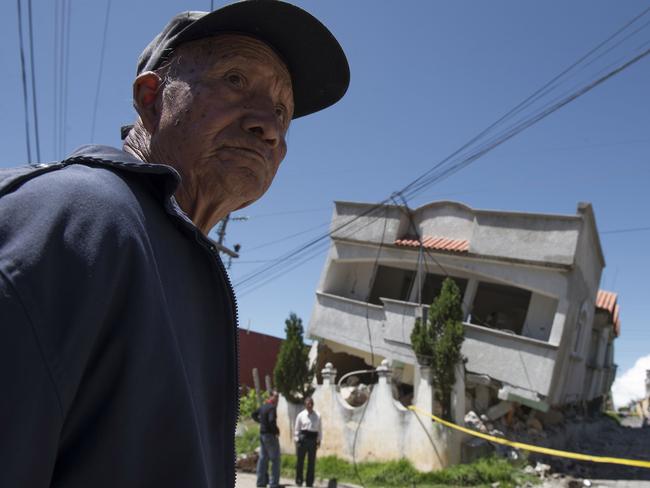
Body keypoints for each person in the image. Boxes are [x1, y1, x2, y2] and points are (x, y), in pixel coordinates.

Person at [0, 2, 349, 487]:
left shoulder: (171, 256)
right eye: (234, 79)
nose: (268, 125)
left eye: (282, 111)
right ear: (151, 97)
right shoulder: (78, 219)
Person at [252, 391, 281, 487]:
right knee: (275, 459)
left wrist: (261, 422)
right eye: (275, 396)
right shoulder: (272, 408)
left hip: (262, 435)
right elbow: (271, 420)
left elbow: (253, 414)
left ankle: (260, 482)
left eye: (278, 397)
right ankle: (274, 484)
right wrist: (276, 431)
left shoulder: (264, 406)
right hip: (270, 436)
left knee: (263, 459)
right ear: (271, 396)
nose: (277, 399)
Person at [294, 397, 322, 487]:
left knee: (311, 462)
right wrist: (297, 439)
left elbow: (320, 429)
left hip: (313, 440)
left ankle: (309, 482)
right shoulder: (301, 415)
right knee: (300, 461)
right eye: (307, 404)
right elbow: (297, 429)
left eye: (311, 404)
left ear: (313, 405)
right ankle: (299, 480)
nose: (309, 405)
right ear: (305, 405)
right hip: (303, 439)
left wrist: (319, 440)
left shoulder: (318, 415)